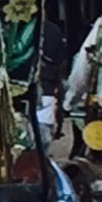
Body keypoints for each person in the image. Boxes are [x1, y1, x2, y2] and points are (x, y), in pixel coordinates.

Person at [37, 19, 67, 154]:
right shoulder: (53, 29)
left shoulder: (8, 25)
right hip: (46, 92)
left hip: (12, 94)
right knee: (41, 145)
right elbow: (61, 65)